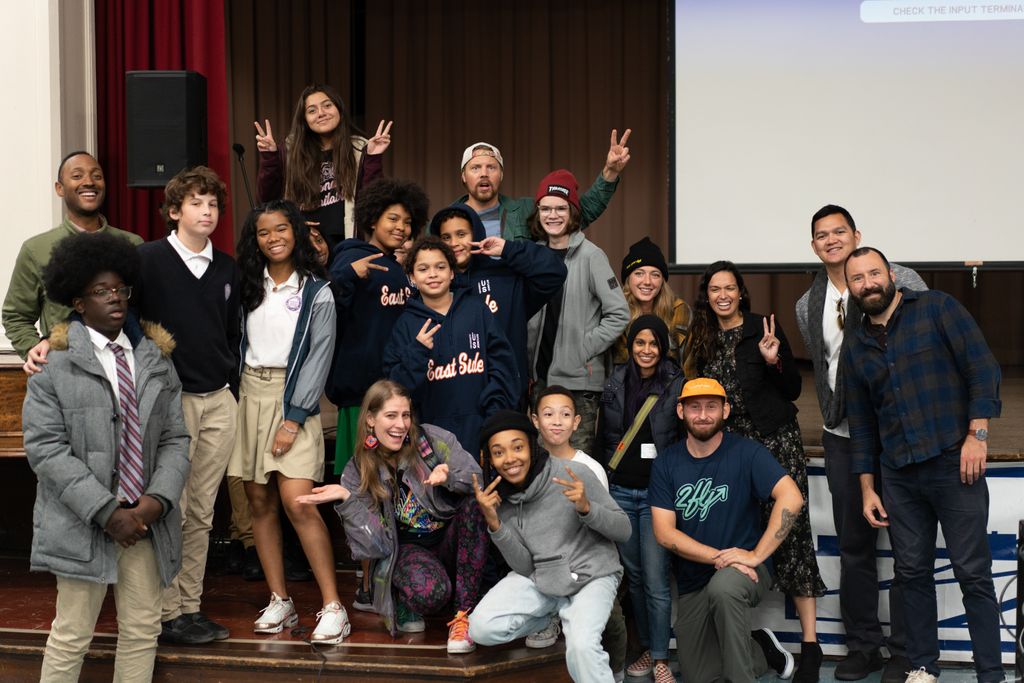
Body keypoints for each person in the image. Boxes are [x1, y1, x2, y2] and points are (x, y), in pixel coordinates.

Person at [23, 231, 190, 681]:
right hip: (84, 523)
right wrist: (104, 509)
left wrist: (157, 500)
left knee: (141, 630)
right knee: (72, 633)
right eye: (101, 291)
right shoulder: (52, 366)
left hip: (144, 522)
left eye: (121, 289)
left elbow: (176, 438)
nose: (115, 298)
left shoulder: (155, 358)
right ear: (78, 302)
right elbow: (44, 448)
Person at [843, 247, 1003, 683]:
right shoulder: (856, 342)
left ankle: (990, 673)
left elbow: (981, 368)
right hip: (897, 473)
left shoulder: (936, 308)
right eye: (857, 278)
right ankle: (922, 666)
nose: (868, 283)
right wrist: (867, 488)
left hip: (955, 463)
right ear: (851, 287)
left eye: (874, 273)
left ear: (891, 274)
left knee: (973, 573)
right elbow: (861, 423)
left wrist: (978, 435)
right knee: (910, 574)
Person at [794, 205, 925, 681]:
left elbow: (921, 342)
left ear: (857, 235)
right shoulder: (806, 304)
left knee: (911, 548)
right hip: (844, 438)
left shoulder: (899, 277)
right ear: (814, 246)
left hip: (900, 434)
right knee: (855, 547)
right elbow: (825, 366)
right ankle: (863, 646)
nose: (831, 240)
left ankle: (907, 651)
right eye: (822, 235)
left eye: (839, 232)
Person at [688, 261, 826, 682]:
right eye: (715, 289)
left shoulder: (762, 327)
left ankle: (810, 644)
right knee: (736, 532)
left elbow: (792, 391)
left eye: (730, 288)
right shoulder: (700, 335)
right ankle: (747, 642)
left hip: (773, 440)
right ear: (707, 295)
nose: (723, 295)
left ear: (741, 293)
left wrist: (773, 361)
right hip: (728, 449)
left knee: (793, 535)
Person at [125, 166, 240, 645]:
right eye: (196, 203)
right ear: (175, 211)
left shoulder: (229, 267)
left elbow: (232, 333)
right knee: (172, 506)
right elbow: (121, 315)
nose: (206, 211)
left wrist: (230, 384)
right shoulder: (147, 259)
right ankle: (165, 610)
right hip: (170, 404)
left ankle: (189, 607)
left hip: (219, 401)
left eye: (212, 204)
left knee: (205, 512)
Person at [226, 200, 349, 643]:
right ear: (254, 239)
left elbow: (319, 357)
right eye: (263, 231)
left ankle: (334, 606)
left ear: (296, 232)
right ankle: (281, 601)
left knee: (299, 502)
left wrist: (294, 417)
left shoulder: (317, 291)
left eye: (281, 228)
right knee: (259, 503)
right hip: (248, 395)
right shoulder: (246, 286)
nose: (273, 237)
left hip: (293, 400)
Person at [296, 380, 487, 653]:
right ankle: (405, 598)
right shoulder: (357, 471)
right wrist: (348, 501)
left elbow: (477, 483)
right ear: (371, 419)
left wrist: (450, 479)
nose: (400, 425)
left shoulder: (434, 441)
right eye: (391, 415)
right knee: (432, 594)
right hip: (404, 551)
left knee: (475, 507)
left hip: (448, 542)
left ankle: (463, 616)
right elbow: (377, 547)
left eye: (405, 415)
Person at [649, 377, 803, 683]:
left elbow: (792, 497)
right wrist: (721, 558)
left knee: (724, 588)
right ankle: (759, 647)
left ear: (726, 410)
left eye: (711, 407)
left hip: (746, 573)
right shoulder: (667, 463)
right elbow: (665, 533)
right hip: (698, 576)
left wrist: (755, 555)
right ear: (681, 412)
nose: (703, 414)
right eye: (694, 407)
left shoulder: (747, 452)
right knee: (698, 674)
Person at [469, 410, 631, 683]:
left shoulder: (573, 473)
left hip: (593, 575)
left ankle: (572, 620)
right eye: (499, 452)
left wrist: (587, 508)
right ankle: (555, 618)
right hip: (545, 577)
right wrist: (495, 524)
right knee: (480, 628)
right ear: (490, 459)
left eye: (517, 447)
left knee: (582, 647)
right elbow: (524, 566)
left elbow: (624, 530)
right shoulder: (501, 499)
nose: (510, 459)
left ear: (532, 446)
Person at [600, 315, 684, 683]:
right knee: (633, 577)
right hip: (620, 491)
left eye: (653, 344)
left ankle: (662, 656)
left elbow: (682, 441)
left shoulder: (675, 384)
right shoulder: (615, 381)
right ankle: (648, 646)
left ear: (662, 347)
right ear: (630, 346)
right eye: (639, 343)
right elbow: (606, 435)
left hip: (657, 495)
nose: (646, 351)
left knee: (655, 578)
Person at [326, 178, 428, 477]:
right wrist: (346, 275)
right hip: (360, 396)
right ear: (372, 219)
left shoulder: (397, 268)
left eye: (408, 222)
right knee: (358, 483)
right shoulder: (353, 257)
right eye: (393, 219)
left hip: (394, 392)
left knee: (393, 483)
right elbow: (324, 306)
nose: (401, 227)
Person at [4, 151, 142, 369]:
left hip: (124, 371)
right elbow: (15, 316)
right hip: (67, 371)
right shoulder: (36, 249)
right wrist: (36, 351)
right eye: (77, 176)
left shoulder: (133, 244)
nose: (89, 182)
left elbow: (145, 311)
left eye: (96, 176)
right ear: (59, 188)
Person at [382, 235, 518, 455]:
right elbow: (395, 388)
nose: (433, 274)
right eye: (423, 269)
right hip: (428, 437)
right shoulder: (405, 323)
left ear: (452, 272)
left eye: (440, 267)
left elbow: (502, 366)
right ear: (412, 277)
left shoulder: (477, 310)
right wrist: (417, 351)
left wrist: (494, 418)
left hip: (481, 430)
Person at [526, 170, 630, 456]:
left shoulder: (591, 256)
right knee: (541, 464)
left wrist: (582, 350)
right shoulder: (533, 256)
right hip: (540, 382)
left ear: (572, 212)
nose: (553, 215)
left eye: (560, 208)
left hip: (578, 385)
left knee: (574, 467)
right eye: (545, 208)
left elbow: (619, 313)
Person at [530, 384, 627, 681]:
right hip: (545, 562)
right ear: (535, 420)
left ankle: (616, 672)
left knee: (611, 620)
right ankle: (547, 618)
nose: (556, 421)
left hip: (587, 560)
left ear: (576, 421)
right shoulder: (527, 465)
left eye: (565, 414)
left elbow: (607, 524)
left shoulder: (590, 468)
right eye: (548, 414)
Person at [430, 203, 566, 404]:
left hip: (507, 395)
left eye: (461, 234)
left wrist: (507, 249)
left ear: (476, 233)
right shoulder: (434, 287)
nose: (454, 243)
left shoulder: (506, 276)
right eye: (446, 237)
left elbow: (555, 271)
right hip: (453, 397)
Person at [254, 84, 391, 246]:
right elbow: (267, 200)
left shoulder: (359, 150)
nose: (321, 114)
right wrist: (270, 158)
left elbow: (374, 203)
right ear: (304, 120)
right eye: (312, 110)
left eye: (327, 105)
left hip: (346, 245)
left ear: (339, 109)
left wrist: (373, 157)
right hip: (303, 243)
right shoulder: (291, 152)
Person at [455, 129, 631, 240]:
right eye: (475, 168)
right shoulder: (446, 219)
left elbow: (580, 212)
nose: (484, 173)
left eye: (491, 167)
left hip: (514, 299)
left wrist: (610, 172)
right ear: (463, 176)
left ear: (501, 175)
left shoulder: (524, 210)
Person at [614, 237, 692, 371]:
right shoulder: (615, 311)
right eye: (639, 273)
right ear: (628, 279)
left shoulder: (679, 310)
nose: (647, 281)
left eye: (655, 275)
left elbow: (689, 365)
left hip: (671, 388)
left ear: (662, 281)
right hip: (624, 388)